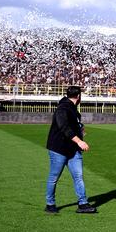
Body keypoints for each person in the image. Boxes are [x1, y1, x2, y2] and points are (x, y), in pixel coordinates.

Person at [44, 86, 96, 214]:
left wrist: (80, 129)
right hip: (59, 148)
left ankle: (83, 203)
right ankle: (50, 204)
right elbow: (63, 127)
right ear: (78, 96)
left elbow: (73, 124)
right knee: (54, 177)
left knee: (78, 176)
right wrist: (79, 141)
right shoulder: (63, 108)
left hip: (73, 149)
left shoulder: (73, 109)